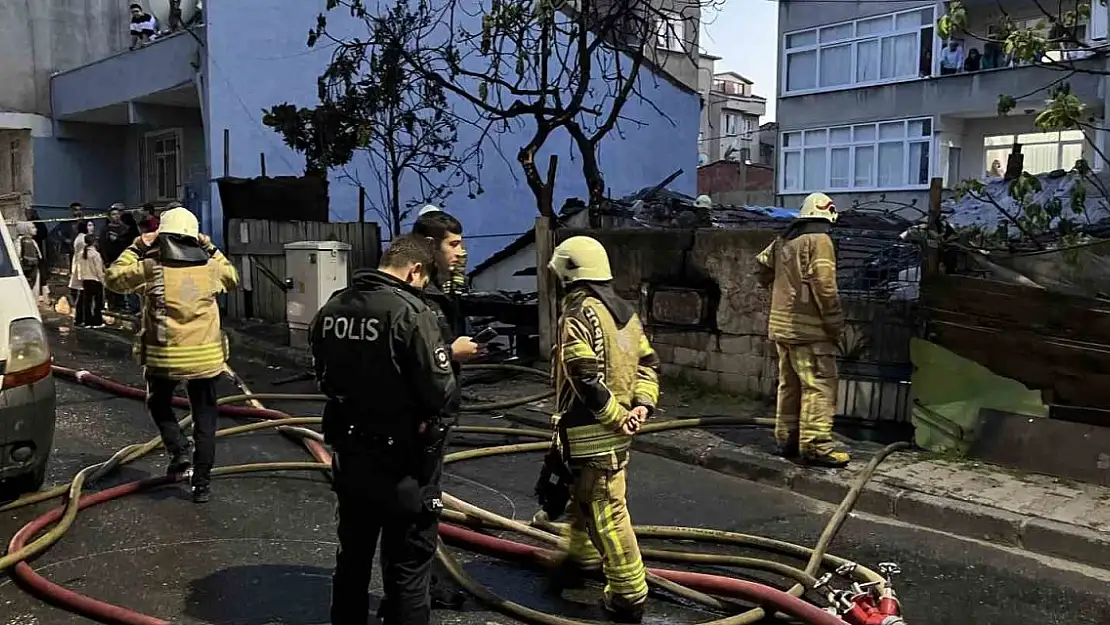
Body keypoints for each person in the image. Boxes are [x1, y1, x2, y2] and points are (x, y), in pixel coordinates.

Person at [309, 234, 457, 625]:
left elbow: (323, 376)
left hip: (350, 451)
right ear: (415, 270)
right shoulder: (412, 312)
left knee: (352, 557)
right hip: (404, 459)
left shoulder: (333, 307)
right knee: (408, 565)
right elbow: (439, 391)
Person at [546, 235, 660, 624]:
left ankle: (629, 594)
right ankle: (581, 558)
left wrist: (614, 416)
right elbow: (648, 363)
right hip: (616, 429)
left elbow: (584, 376)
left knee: (607, 512)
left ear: (568, 271)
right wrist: (641, 406)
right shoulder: (625, 312)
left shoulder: (578, 310)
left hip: (591, 431)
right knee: (582, 501)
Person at [104, 207, 239, 503]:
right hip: (205, 361)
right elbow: (233, 276)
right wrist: (211, 246)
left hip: (164, 360)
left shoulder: (151, 268)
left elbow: (112, 278)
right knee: (206, 419)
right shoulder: (210, 268)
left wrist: (138, 245)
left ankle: (179, 451)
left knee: (158, 403)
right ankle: (201, 484)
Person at [409, 207, 477, 612]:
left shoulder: (434, 288)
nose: (461, 251)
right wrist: (451, 354)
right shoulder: (417, 295)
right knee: (420, 506)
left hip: (435, 412)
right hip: (422, 417)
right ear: (430, 246)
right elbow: (417, 358)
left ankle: (417, 588)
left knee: (421, 504)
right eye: (454, 244)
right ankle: (419, 592)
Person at [754, 192, 849, 468]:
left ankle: (787, 439)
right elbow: (825, 286)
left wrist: (781, 287)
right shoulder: (820, 240)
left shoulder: (785, 238)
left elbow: (761, 267)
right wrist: (834, 324)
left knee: (790, 384)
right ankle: (817, 446)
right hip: (810, 333)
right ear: (828, 215)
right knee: (819, 385)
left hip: (782, 328)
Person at [102, 203, 140, 312]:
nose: (116, 216)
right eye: (113, 214)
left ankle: (129, 306)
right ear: (109, 216)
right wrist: (106, 261)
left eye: (118, 214)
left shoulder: (126, 228)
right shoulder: (105, 230)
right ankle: (114, 305)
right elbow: (103, 245)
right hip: (112, 261)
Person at [74, 235, 106, 328]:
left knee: (87, 302)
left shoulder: (81, 254)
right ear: (95, 242)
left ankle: (87, 321)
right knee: (97, 302)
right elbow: (98, 270)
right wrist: (102, 280)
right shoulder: (95, 254)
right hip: (95, 280)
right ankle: (97, 321)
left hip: (85, 280)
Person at [15, 222, 42, 292]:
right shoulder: (22, 241)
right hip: (29, 270)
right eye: (32, 228)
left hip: (32, 269)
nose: (36, 229)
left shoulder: (30, 241)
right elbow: (18, 255)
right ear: (25, 229)